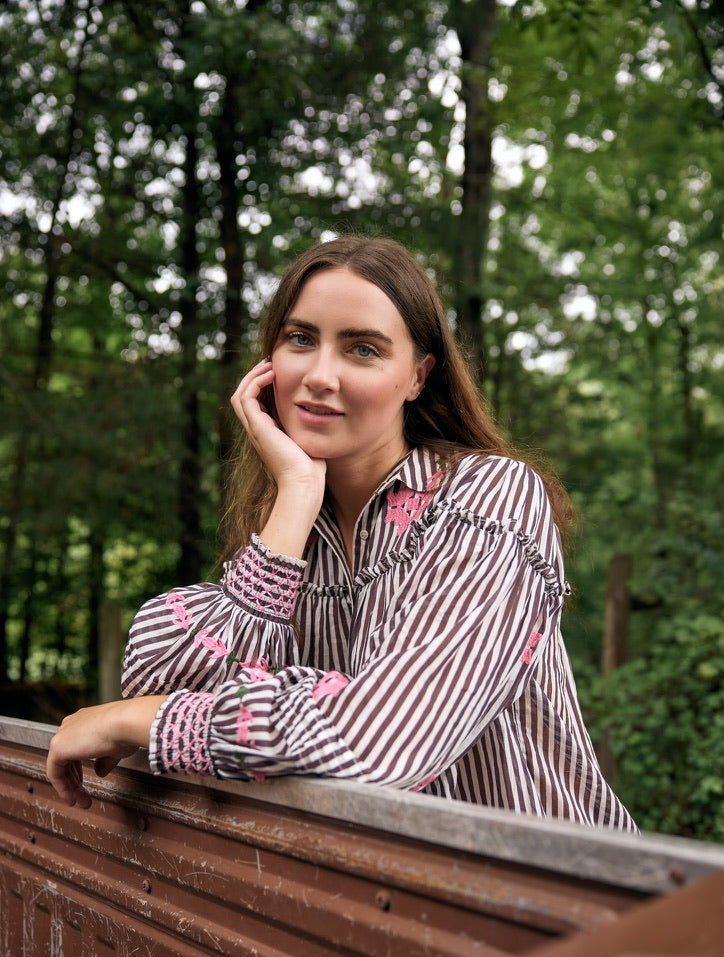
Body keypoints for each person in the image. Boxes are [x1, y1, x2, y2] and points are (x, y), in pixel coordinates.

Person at [47, 235, 636, 832]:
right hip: (383, 897)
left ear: (417, 377)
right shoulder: (290, 526)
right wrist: (297, 495)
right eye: (301, 339)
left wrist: (145, 721)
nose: (320, 376)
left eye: (362, 349)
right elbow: (161, 679)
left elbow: (387, 742)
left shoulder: (489, 499)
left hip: (557, 899)